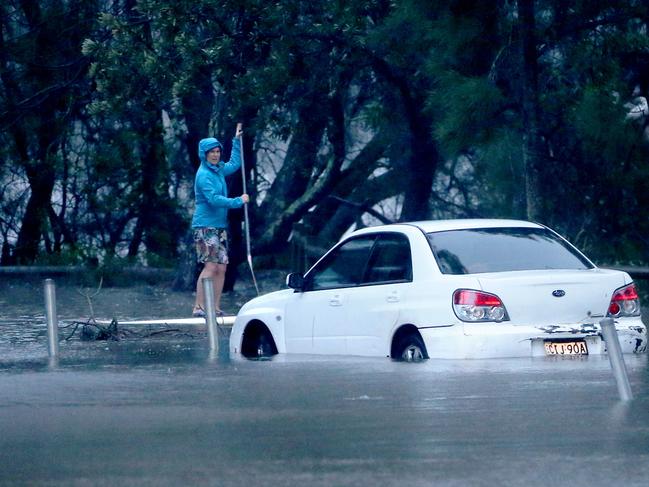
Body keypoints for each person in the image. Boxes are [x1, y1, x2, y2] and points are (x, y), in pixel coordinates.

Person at [191, 125, 249, 317]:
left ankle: (214, 307)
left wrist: (236, 141)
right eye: (212, 152)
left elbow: (234, 164)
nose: (215, 155)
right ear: (204, 154)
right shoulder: (204, 175)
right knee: (210, 266)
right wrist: (238, 201)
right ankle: (198, 307)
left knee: (222, 267)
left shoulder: (218, 170)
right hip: (205, 226)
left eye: (217, 152)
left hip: (219, 226)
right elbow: (214, 200)